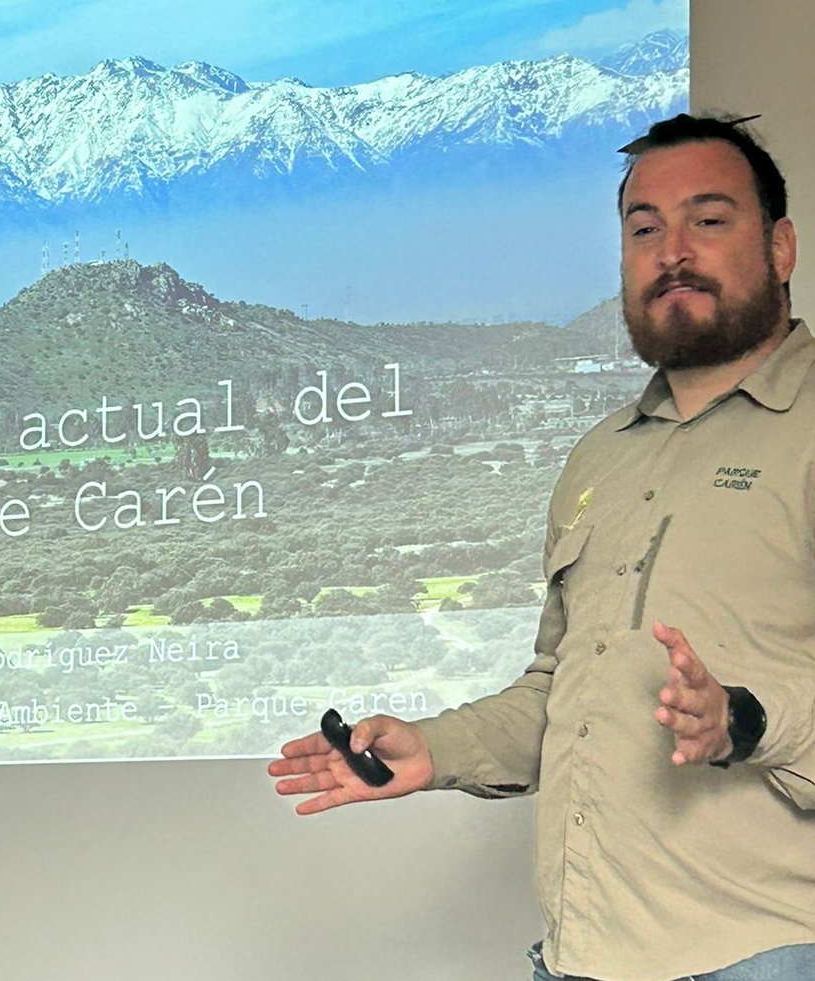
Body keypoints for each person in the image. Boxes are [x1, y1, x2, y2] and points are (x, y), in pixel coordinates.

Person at [269, 114, 815, 981]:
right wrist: (434, 749)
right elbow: (565, 691)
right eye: (643, 229)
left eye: (707, 220)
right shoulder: (600, 455)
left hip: (766, 952)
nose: (671, 250)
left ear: (780, 246)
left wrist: (745, 721)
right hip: (579, 958)